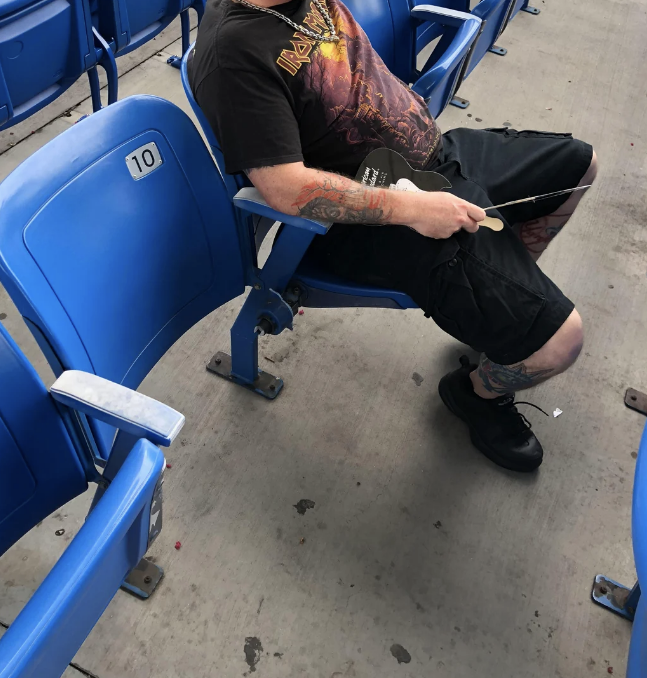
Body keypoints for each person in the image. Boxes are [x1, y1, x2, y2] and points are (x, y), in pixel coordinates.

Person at [190, 0, 598, 472]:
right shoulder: (232, 56)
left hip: (434, 159)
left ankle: (502, 311)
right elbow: (286, 190)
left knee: (580, 168)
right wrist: (414, 209)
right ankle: (477, 393)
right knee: (560, 343)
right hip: (373, 223)